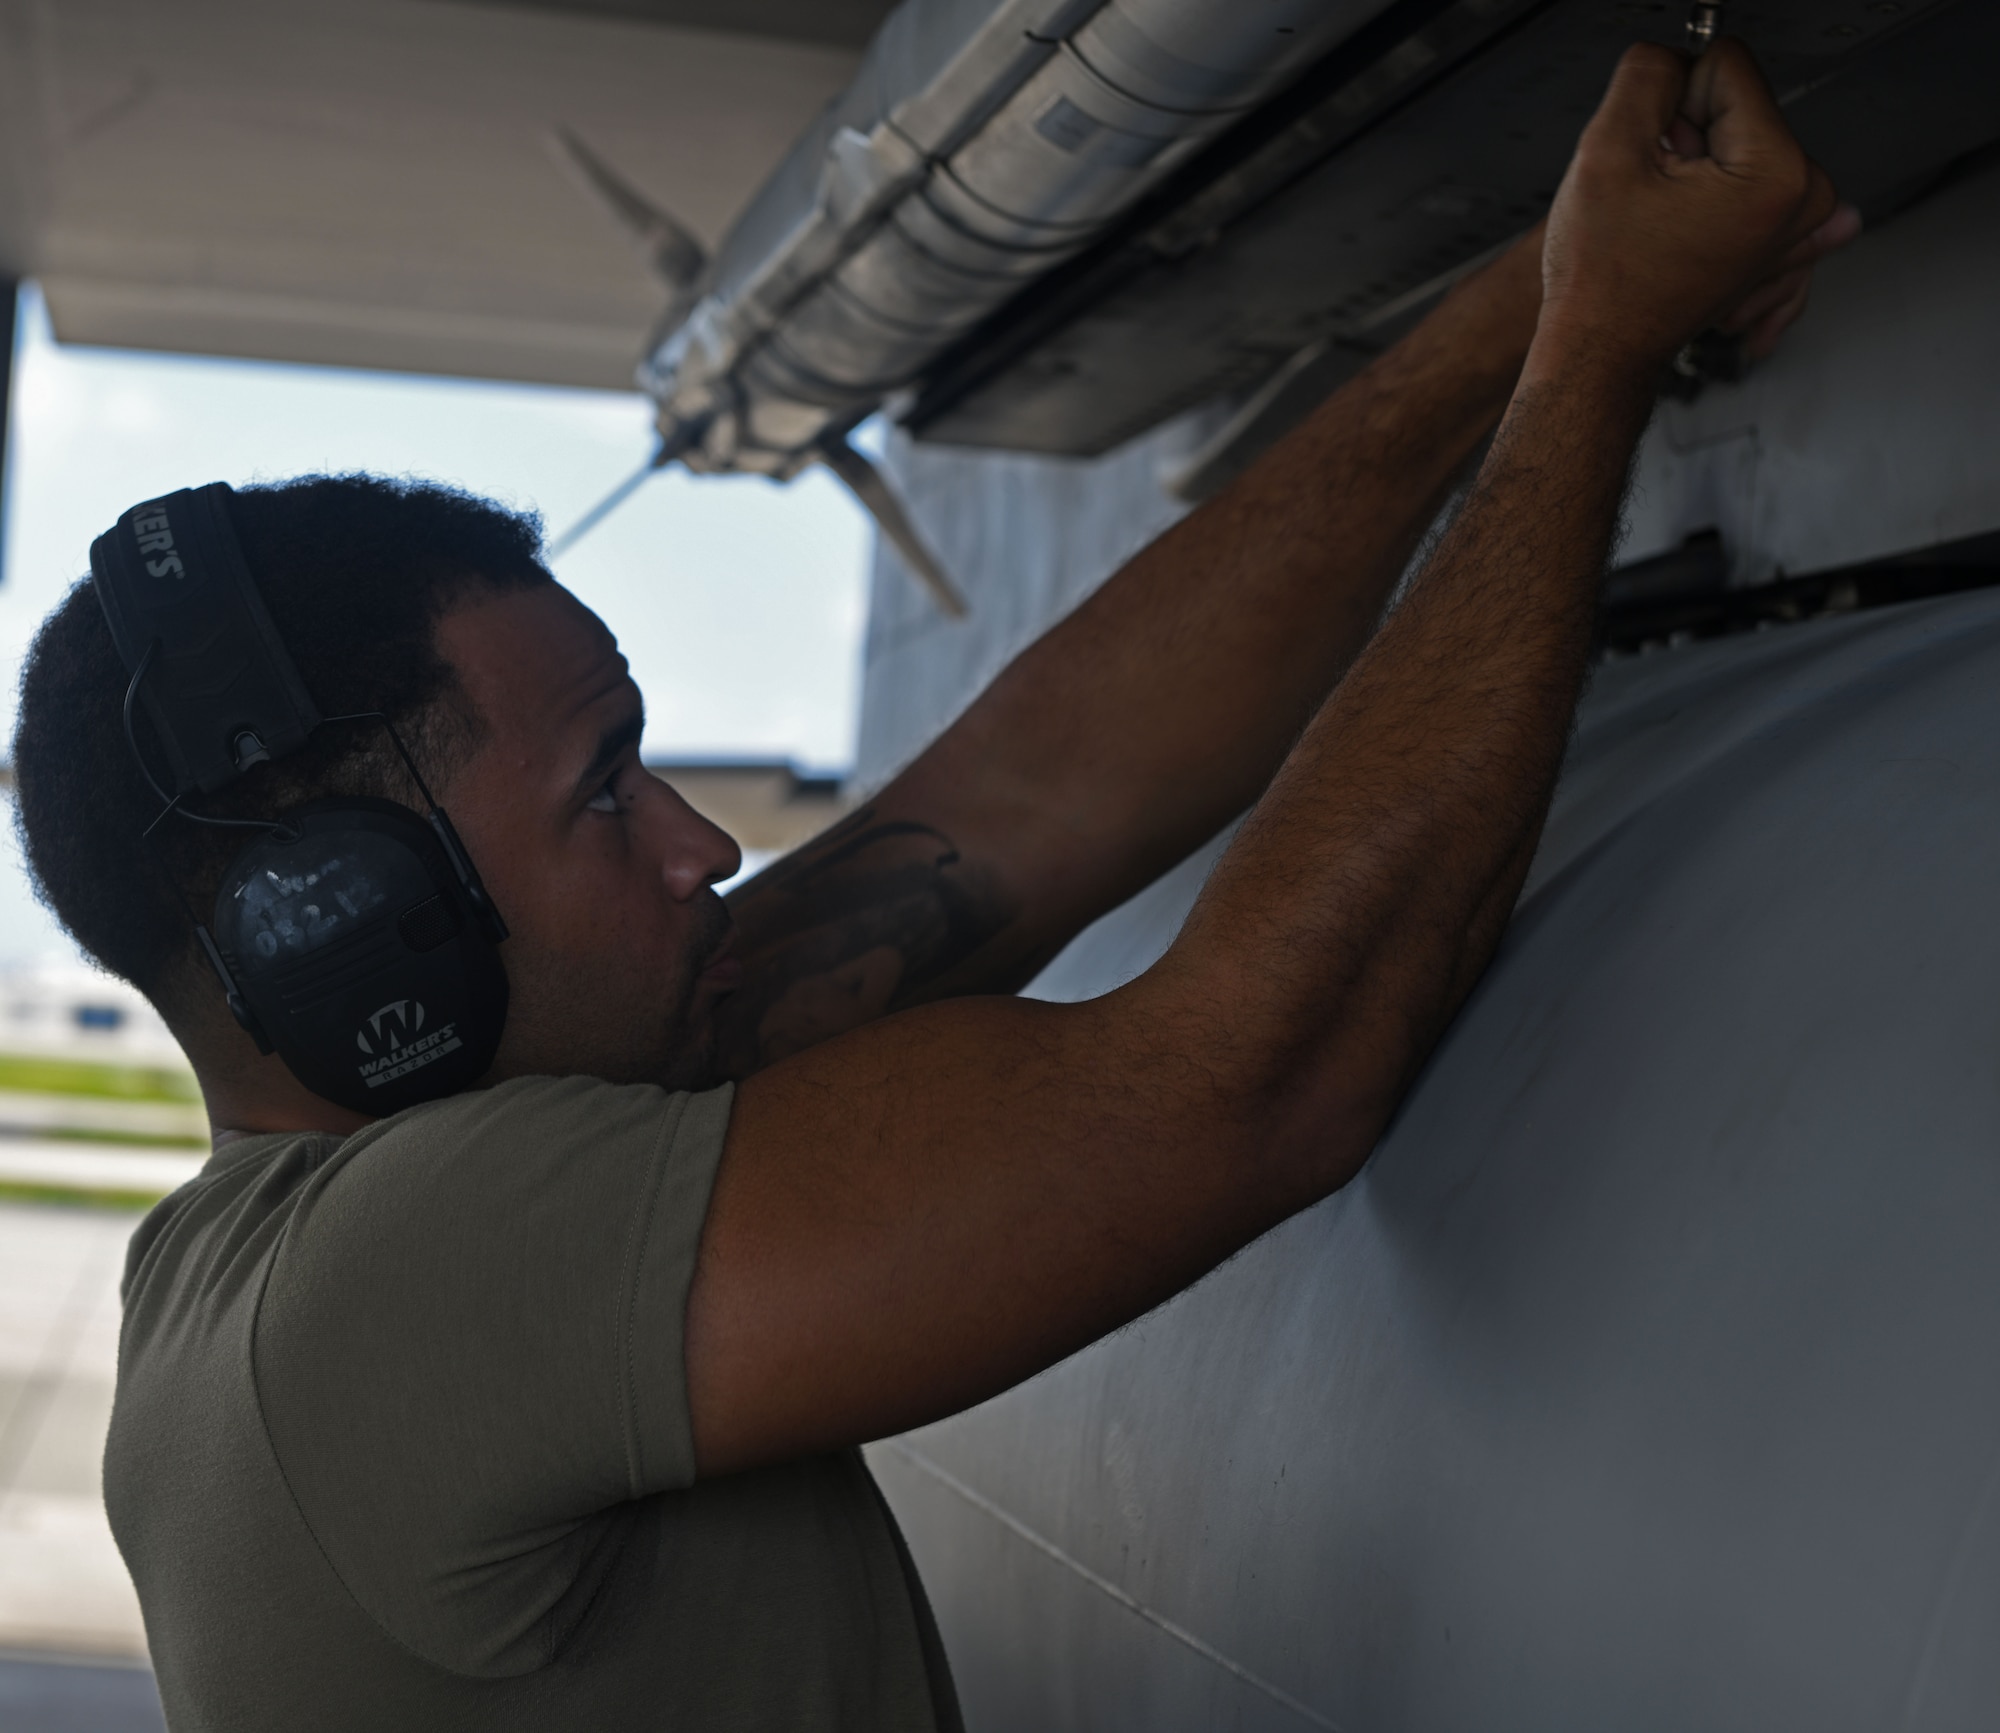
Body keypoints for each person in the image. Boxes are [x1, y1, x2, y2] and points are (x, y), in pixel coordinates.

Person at [11, 40, 1853, 1732]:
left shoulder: (285, 1253)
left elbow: (1026, 804)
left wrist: (1536, 306)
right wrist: (1595, 361)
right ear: (343, 930)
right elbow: (1256, 1073)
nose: (701, 846)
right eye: (599, 795)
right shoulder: (410, 1281)